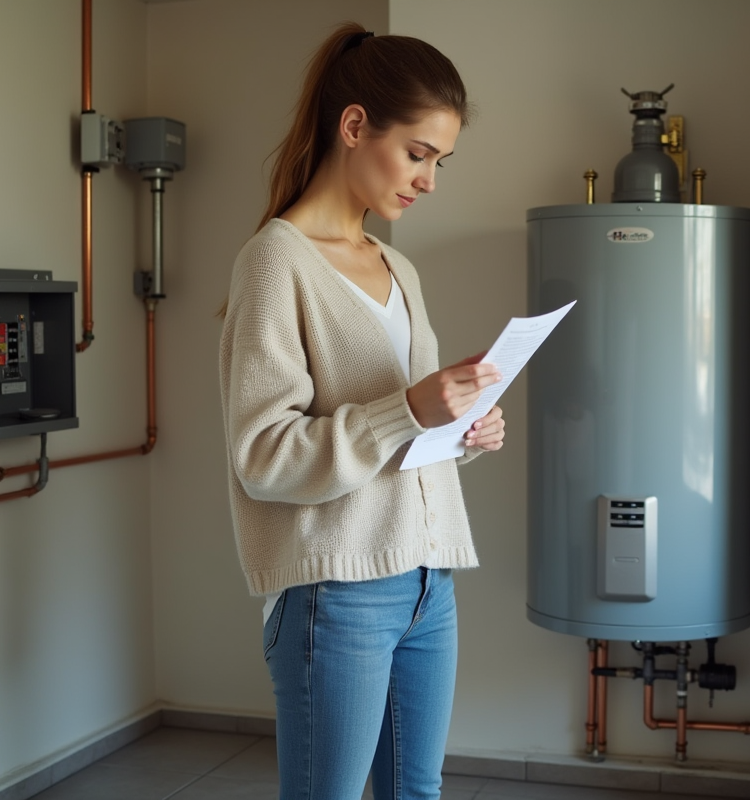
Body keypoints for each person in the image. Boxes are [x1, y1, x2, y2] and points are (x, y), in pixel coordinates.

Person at [218, 22, 505, 800]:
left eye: (441, 161)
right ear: (354, 126)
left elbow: (406, 435)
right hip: (336, 595)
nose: (430, 179)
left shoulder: (398, 267)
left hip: (428, 583)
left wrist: (463, 432)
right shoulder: (275, 261)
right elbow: (264, 456)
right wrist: (407, 411)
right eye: (418, 154)